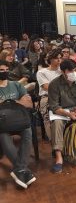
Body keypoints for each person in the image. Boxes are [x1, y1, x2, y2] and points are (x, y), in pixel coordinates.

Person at [0, 60, 36, 189]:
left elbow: (29, 104)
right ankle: (23, 170)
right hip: (2, 123)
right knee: (3, 135)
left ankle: (20, 169)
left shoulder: (16, 85)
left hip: (19, 120)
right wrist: (18, 101)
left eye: (5, 70)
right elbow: (22, 102)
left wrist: (7, 102)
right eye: (1, 70)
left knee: (27, 131)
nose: (3, 72)